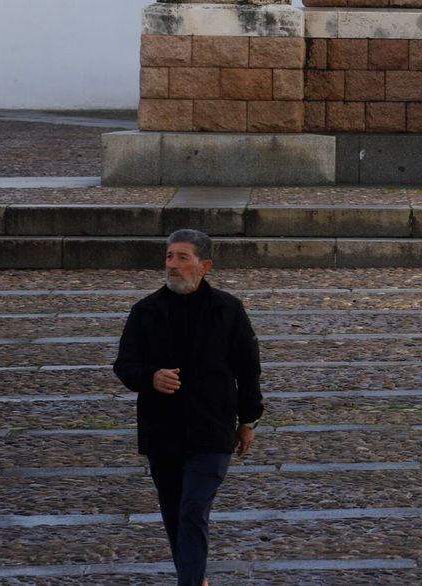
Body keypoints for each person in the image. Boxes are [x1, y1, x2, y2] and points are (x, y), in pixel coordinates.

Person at [113, 229, 262, 586]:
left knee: (193, 508)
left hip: (212, 428)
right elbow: (125, 364)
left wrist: (249, 419)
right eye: (169, 257)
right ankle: (195, 576)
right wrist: (151, 377)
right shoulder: (146, 310)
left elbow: (248, 368)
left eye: (183, 258)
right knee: (175, 513)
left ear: (204, 265)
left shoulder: (228, 309)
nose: (173, 265)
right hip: (163, 430)